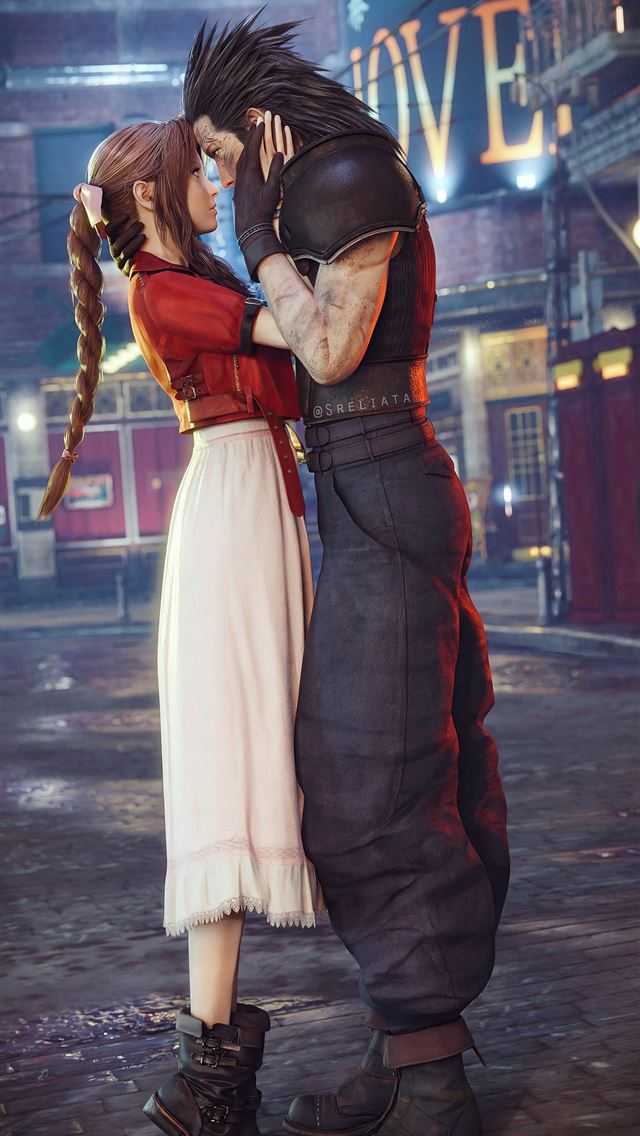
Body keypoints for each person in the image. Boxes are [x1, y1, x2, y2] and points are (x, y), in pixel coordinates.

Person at [108, 18, 511, 1136]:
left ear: (251, 126)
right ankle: (405, 1049)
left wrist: (255, 231)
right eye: (207, 165)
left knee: (374, 773)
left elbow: (326, 350)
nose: (218, 174)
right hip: (354, 488)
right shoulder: (318, 187)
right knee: (369, 766)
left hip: (382, 482)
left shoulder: (345, 178)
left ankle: (432, 1077)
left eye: (218, 152)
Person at [38, 114, 323, 1136]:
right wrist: (267, 208)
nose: (212, 179)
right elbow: (303, 331)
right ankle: (206, 1085)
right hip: (235, 513)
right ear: (152, 191)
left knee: (251, 762)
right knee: (232, 770)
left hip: (250, 505)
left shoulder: (177, 284)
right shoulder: (166, 292)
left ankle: (210, 1086)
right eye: (197, 168)